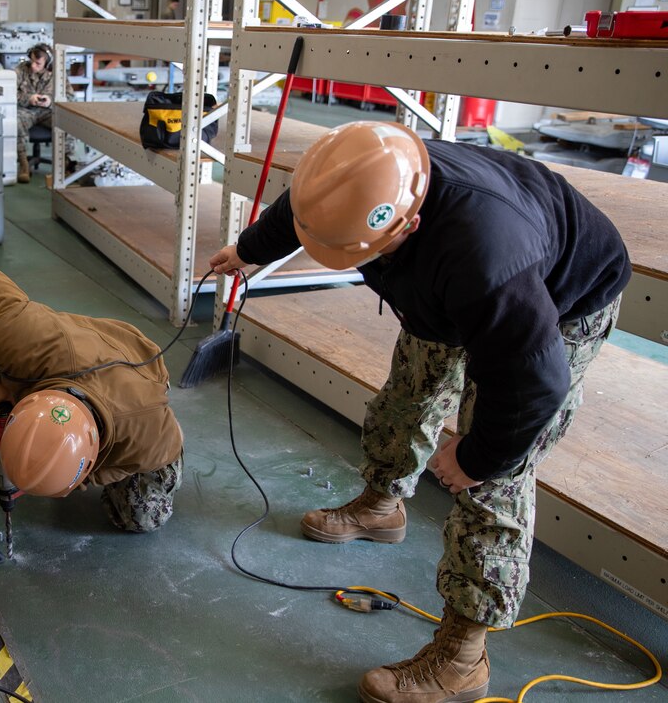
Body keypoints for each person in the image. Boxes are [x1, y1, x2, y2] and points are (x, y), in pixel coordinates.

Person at [209, 121, 630, 702]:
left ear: (406, 223)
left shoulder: (485, 259)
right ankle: (381, 507)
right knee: (404, 401)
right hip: (446, 291)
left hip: (560, 305)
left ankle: (462, 657)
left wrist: (481, 455)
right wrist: (249, 248)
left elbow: (534, 381)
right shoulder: (368, 169)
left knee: (496, 483)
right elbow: (306, 209)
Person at [0, 264, 183, 532]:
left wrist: (86, 477)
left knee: (143, 517)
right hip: (74, 348)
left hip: (137, 366)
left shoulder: (148, 434)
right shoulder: (29, 345)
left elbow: (169, 444)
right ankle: (4, 391)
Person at [15, 43, 59, 184]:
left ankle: (65, 165)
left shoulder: (57, 74)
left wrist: (50, 101)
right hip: (26, 110)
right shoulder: (21, 70)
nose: (33, 66)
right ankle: (24, 165)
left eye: (38, 63)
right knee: (15, 122)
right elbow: (9, 92)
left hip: (47, 112)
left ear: (48, 63)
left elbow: (69, 96)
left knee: (67, 122)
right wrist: (28, 98)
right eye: (32, 61)